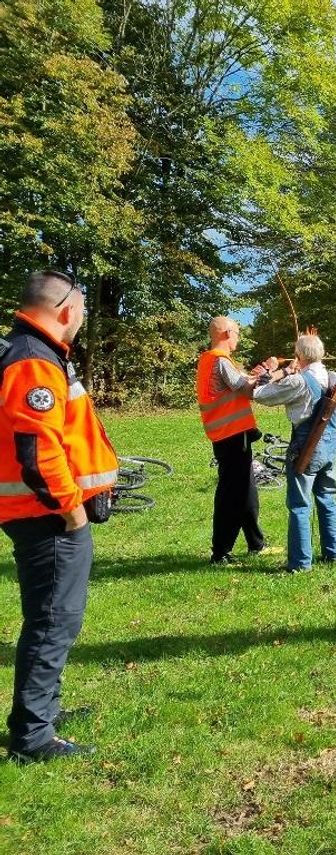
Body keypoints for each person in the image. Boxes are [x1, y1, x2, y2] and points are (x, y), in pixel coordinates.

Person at [0, 271, 118, 763]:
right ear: (67, 310)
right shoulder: (33, 360)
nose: (83, 321)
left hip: (38, 513)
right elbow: (37, 451)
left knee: (52, 619)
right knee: (53, 622)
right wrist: (71, 511)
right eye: (83, 312)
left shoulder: (34, 352)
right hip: (48, 516)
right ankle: (32, 738)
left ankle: (43, 709)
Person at [251, 332, 336, 572]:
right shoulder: (334, 377)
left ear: (299, 355)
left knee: (300, 505)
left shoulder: (299, 381)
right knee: (328, 499)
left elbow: (260, 395)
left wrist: (269, 373)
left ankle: (301, 563)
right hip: (331, 445)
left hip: (306, 447)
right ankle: (332, 553)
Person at [196, 317, 265, 564]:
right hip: (233, 434)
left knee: (246, 488)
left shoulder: (210, 360)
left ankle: (256, 543)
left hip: (226, 434)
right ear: (226, 333)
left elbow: (240, 381)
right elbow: (244, 389)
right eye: (237, 332)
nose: (238, 337)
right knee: (232, 493)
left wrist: (261, 374)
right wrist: (269, 375)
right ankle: (220, 552)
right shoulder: (220, 360)